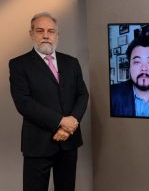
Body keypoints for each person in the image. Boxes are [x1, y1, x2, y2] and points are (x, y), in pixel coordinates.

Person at [9, 12, 89, 191]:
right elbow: (24, 103)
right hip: (37, 144)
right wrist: (61, 122)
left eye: (51, 31)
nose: (46, 35)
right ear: (31, 34)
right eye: (40, 31)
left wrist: (72, 123)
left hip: (69, 142)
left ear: (57, 35)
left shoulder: (71, 62)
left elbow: (83, 95)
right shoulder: (18, 65)